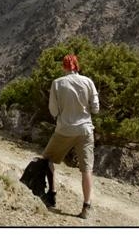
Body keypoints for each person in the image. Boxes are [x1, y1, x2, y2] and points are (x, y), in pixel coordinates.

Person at [42, 54, 100, 220]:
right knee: (86, 169)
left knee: (47, 159)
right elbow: (95, 109)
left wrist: (63, 115)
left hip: (64, 129)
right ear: (77, 66)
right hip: (85, 130)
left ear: (64, 67)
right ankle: (86, 206)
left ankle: (51, 194)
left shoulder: (57, 83)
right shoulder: (88, 82)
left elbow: (53, 110)